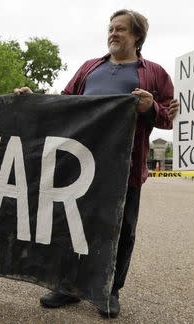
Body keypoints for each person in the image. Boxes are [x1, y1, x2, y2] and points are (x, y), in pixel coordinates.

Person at [15, 9, 179, 318]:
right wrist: (32, 99)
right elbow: (63, 105)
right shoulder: (89, 68)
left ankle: (108, 290)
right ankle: (68, 286)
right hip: (81, 166)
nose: (113, 34)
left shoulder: (154, 72)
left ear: (137, 37)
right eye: (111, 29)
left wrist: (150, 107)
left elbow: (170, 118)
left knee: (122, 230)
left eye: (121, 30)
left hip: (125, 169)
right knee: (73, 224)